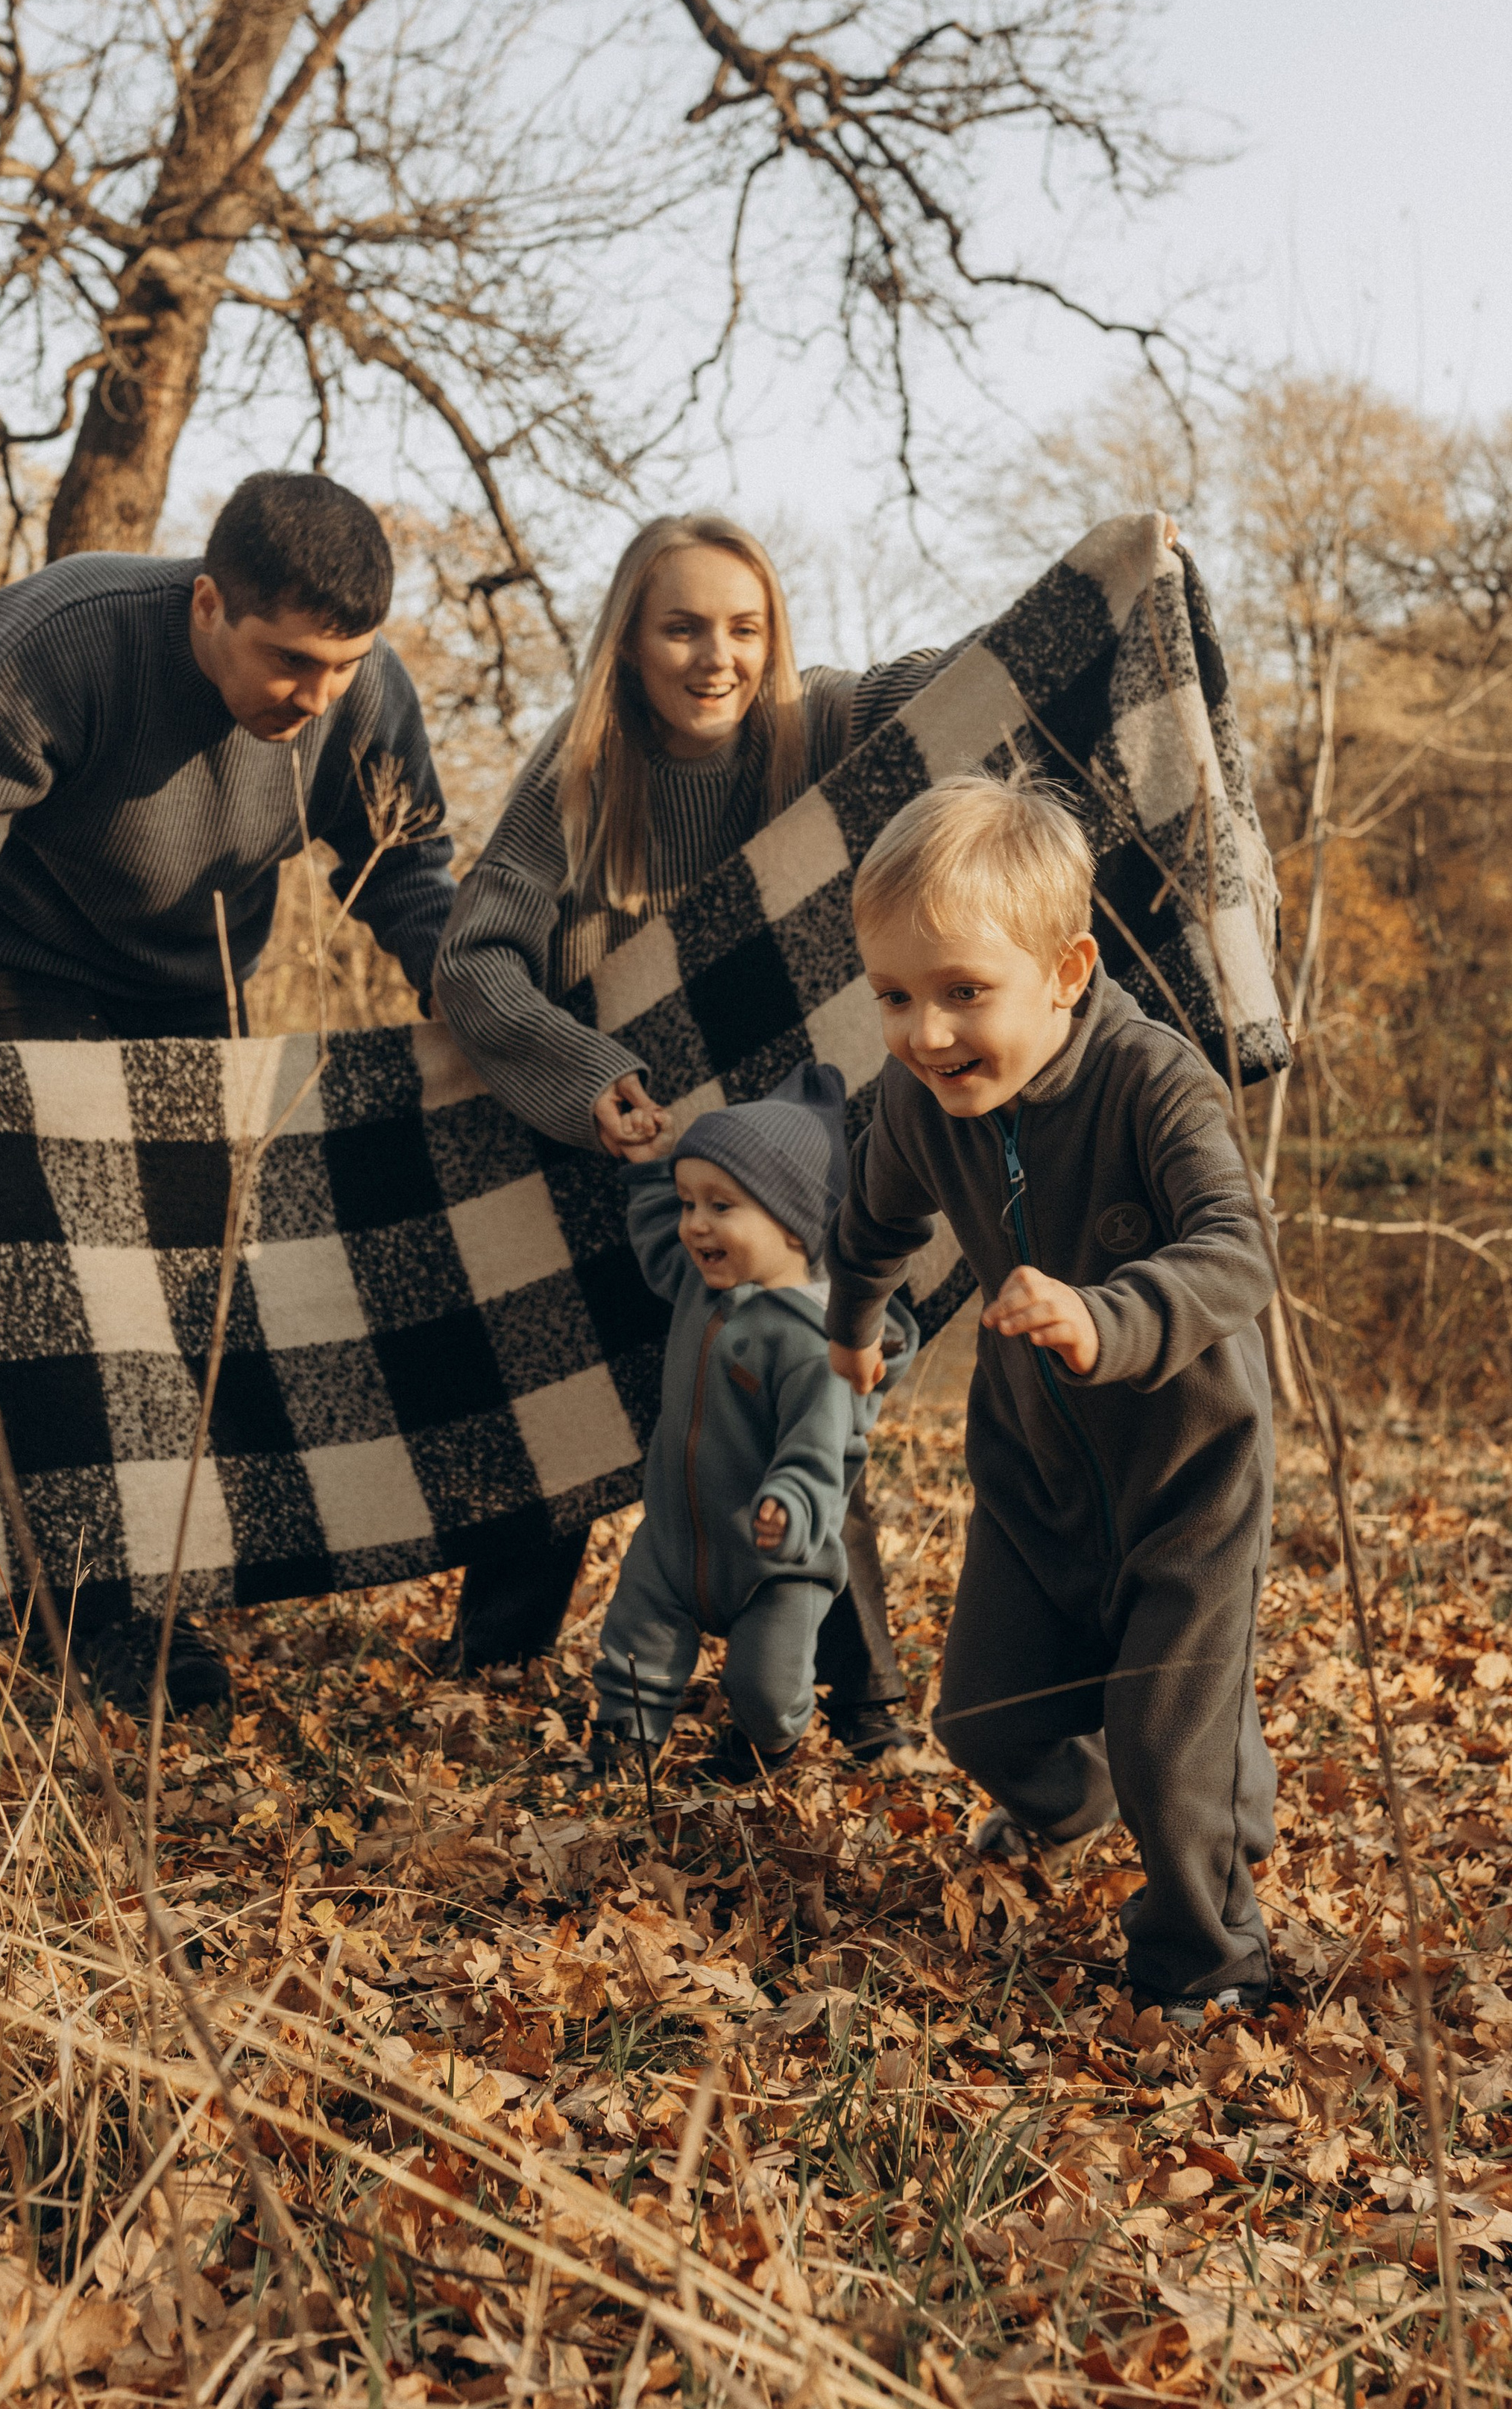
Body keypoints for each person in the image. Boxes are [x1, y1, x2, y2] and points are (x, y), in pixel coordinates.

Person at [0, 470, 456, 1706]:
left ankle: (160, 1570)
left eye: (344, 665)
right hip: (25, 977)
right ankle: (99, 1624)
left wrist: (481, 997)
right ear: (209, 603)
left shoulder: (362, 693)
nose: (319, 695)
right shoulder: (64, 642)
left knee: (184, 1308)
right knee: (71, 1305)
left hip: (201, 992)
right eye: (289, 662)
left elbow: (408, 876)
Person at [434, 511, 950, 1736]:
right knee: (554, 1396)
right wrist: (578, 1068)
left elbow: (956, 681)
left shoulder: (815, 724)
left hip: (769, 1166)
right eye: (682, 628)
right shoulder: (581, 766)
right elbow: (475, 957)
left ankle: (864, 1706)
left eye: (743, 628)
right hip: (605, 1145)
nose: (716, 657)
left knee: (796, 1381)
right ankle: (488, 1668)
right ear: (630, 641)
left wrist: (1101, 583)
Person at [825, 776, 1278, 2028]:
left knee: (1164, 1745)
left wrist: (1107, 1314)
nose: (925, 1034)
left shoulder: (1152, 1081)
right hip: (1034, 1473)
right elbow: (870, 1229)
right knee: (983, 1714)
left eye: (965, 992)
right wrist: (855, 1333)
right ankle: (1074, 1811)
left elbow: (1241, 1248)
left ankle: (1210, 1960)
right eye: (897, 997)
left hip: (1189, 1468)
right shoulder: (924, 1108)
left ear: (1067, 969)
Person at [586, 1064, 916, 1786]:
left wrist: (791, 1505)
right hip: (675, 1539)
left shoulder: (816, 1342)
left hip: (776, 1561)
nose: (694, 1223)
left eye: (721, 1206)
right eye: (687, 1202)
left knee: (766, 1689)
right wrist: (648, 1177)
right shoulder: (701, 1286)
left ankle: (762, 1757)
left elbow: (820, 1447)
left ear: (794, 1220)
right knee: (634, 1646)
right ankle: (619, 1752)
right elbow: (656, 1242)